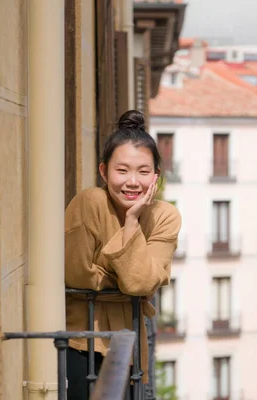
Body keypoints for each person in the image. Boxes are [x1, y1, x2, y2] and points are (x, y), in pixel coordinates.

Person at [64, 110, 182, 400]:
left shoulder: (165, 216)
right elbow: (76, 273)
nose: (132, 182)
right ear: (104, 171)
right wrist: (125, 275)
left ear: (156, 175)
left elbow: (141, 285)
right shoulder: (90, 203)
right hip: (81, 342)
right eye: (122, 170)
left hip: (131, 346)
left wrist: (131, 222)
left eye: (143, 172)